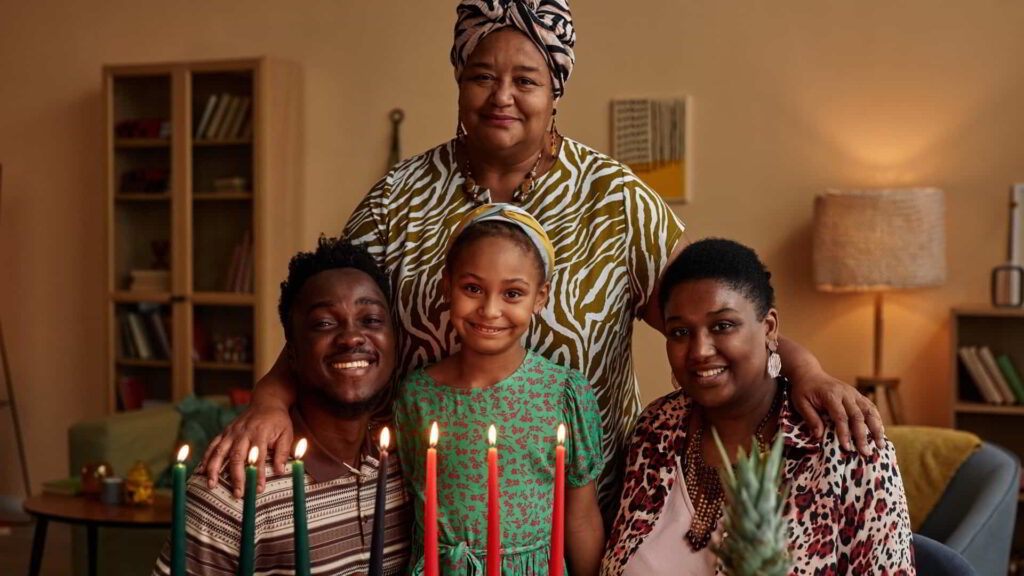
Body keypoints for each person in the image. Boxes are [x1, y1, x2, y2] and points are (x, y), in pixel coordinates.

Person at [201, 0, 884, 524]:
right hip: (432, 513)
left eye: (526, 79)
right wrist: (268, 398)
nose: (502, 96)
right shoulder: (397, 198)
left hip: (585, 510)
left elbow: (715, 321)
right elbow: (334, 323)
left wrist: (807, 370)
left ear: (555, 88)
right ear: (459, 83)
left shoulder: (614, 199)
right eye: (482, 76)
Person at [602, 239, 915, 576]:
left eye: (723, 326)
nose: (699, 350)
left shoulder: (846, 446)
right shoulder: (656, 429)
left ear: (769, 327)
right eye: (679, 332)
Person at [153, 238, 412, 575]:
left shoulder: (405, 469)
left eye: (371, 320)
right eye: (324, 323)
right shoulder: (235, 490)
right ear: (290, 352)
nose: (352, 337)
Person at [394, 204, 605, 576]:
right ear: (447, 285)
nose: (490, 310)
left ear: (540, 297)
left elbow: (582, 518)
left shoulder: (563, 393)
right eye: (473, 288)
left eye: (512, 294)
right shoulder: (417, 395)